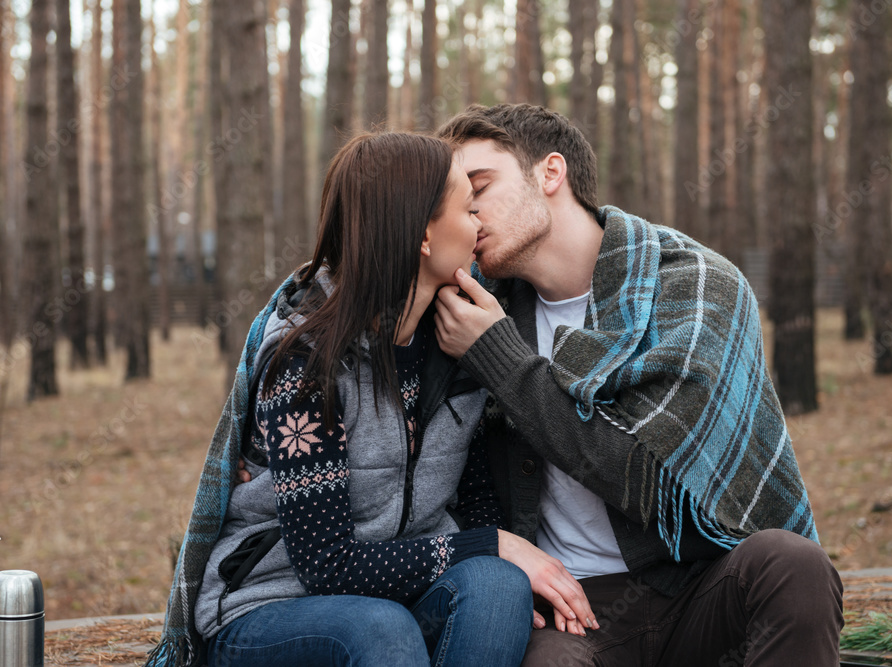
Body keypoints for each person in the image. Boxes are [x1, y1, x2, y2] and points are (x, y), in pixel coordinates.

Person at [146, 132, 594, 667]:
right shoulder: (308, 364)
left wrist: (498, 550)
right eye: (463, 206)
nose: (478, 221)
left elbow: (477, 510)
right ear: (423, 236)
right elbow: (327, 566)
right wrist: (490, 544)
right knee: (383, 629)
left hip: (399, 598)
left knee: (498, 587)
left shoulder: (459, 351)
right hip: (271, 608)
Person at [431, 104, 845, 666]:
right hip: (568, 610)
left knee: (793, 566)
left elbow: (654, 479)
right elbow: (355, 281)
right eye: (455, 202)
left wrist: (502, 362)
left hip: (695, 586)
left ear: (551, 173)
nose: (469, 214)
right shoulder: (475, 305)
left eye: (479, 186)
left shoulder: (695, 285)